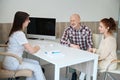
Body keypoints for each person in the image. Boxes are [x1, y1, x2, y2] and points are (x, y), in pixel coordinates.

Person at [2, 11, 46, 80]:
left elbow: (19, 46)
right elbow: (32, 51)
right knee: (36, 67)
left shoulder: (15, 32)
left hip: (11, 60)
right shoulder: (19, 34)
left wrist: (29, 47)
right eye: (28, 19)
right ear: (22, 21)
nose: (29, 21)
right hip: (13, 63)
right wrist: (37, 47)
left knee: (36, 62)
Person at [60, 13, 93, 80]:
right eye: (71, 21)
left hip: (84, 52)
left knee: (84, 70)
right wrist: (72, 45)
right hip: (74, 52)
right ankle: (74, 73)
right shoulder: (68, 30)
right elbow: (62, 41)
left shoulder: (87, 30)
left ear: (79, 20)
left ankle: (83, 72)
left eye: (74, 20)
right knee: (70, 55)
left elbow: (90, 44)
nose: (72, 22)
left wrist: (88, 52)